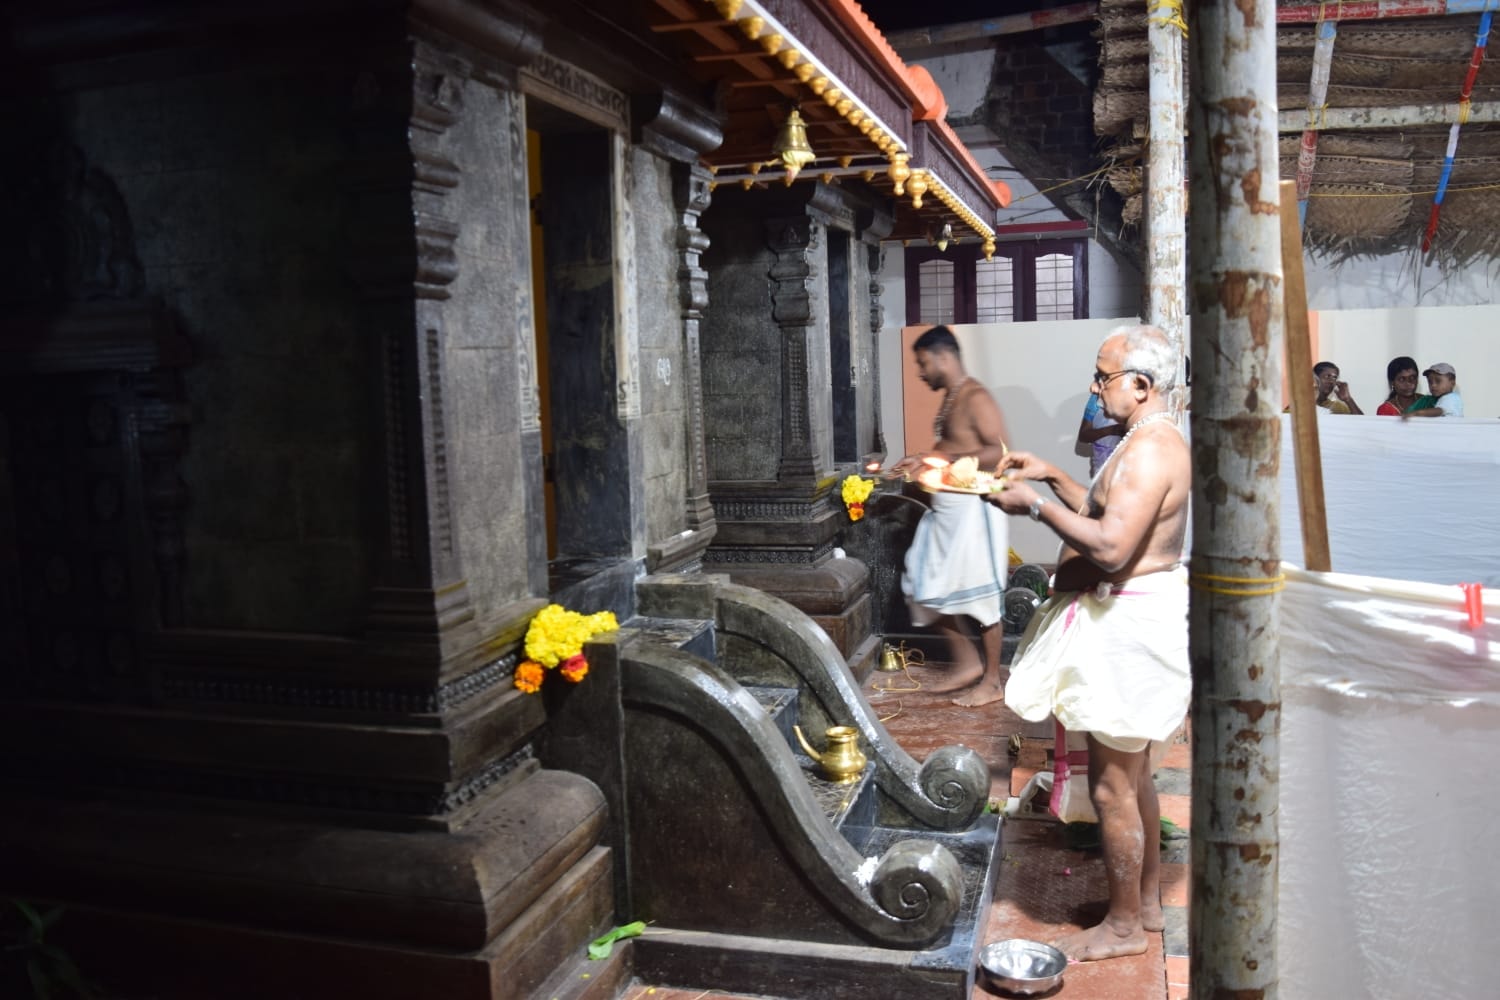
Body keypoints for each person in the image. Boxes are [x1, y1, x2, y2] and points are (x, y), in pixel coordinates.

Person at [985, 324, 1190, 963]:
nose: (1095, 387)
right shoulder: (1143, 438)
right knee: (1135, 774)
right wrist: (1050, 476)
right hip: (1131, 620)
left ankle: (1125, 925)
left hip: (1131, 626)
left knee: (1110, 788)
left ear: (1142, 385)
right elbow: (1106, 507)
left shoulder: (1154, 451)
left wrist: (1035, 509)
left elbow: (1109, 545)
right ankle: (1148, 903)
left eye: (1104, 377)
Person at [888, 326, 1011, 707]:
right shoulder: (952, 398)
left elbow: (999, 452)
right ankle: (966, 662)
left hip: (975, 514)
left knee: (983, 599)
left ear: (943, 357)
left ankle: (992, 681)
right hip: (946, 514)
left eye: (923, 363)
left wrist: (940, 458)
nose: (921, 372)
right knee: (920, 588)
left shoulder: (975, 396)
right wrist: (923, 458)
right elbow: (955, 447)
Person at [1076, 392, 1124, 478]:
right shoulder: (1096, 398)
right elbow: (1083, 436)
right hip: (1099, 474)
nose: (1092, 387)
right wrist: (1111, 430)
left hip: (1126, 473)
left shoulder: (1136, 395)